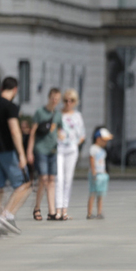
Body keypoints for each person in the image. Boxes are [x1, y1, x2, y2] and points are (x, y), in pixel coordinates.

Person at [0, 77, 32, 238]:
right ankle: (6, 217)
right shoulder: (11, 107)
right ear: (15, 89)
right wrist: (22, 154)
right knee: (25, 185)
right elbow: (14, 131)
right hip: (7, 151)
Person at [27, 87, 62, 221]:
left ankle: (52, 212)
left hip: (53, 150)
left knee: (51, 180)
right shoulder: (40, 112)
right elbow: (32, 132)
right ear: (49, 97)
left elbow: (60, 131)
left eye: (57, 99)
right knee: (44, 178)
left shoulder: (58, 115)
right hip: (41, 149)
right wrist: (29, 151)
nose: (55, 101)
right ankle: (37, 207)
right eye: (53, 98)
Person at [55, 88, 86, 221]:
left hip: (71, 149)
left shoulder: (77, 116)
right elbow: (52, 129)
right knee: (59, 179)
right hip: (58, 149)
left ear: (75, 102)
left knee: (68, 180)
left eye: (71, 100)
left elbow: (82, 135)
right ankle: (57, 210)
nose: (68, 103)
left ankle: (65, 210)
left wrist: (75, 144)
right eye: (66, 100)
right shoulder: (58, 114)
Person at [87, 126, 111, 219]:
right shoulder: (93, 148)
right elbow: (92, 160)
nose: (106, 142)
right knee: (93, 193)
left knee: (101, 194)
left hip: (102, 173)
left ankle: (99, 212)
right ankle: (89, 213)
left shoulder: (102, 150)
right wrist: (93, 172)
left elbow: (102, 162)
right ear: (98, 139)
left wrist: (105, 172)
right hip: (95, 174)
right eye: (104, 140)